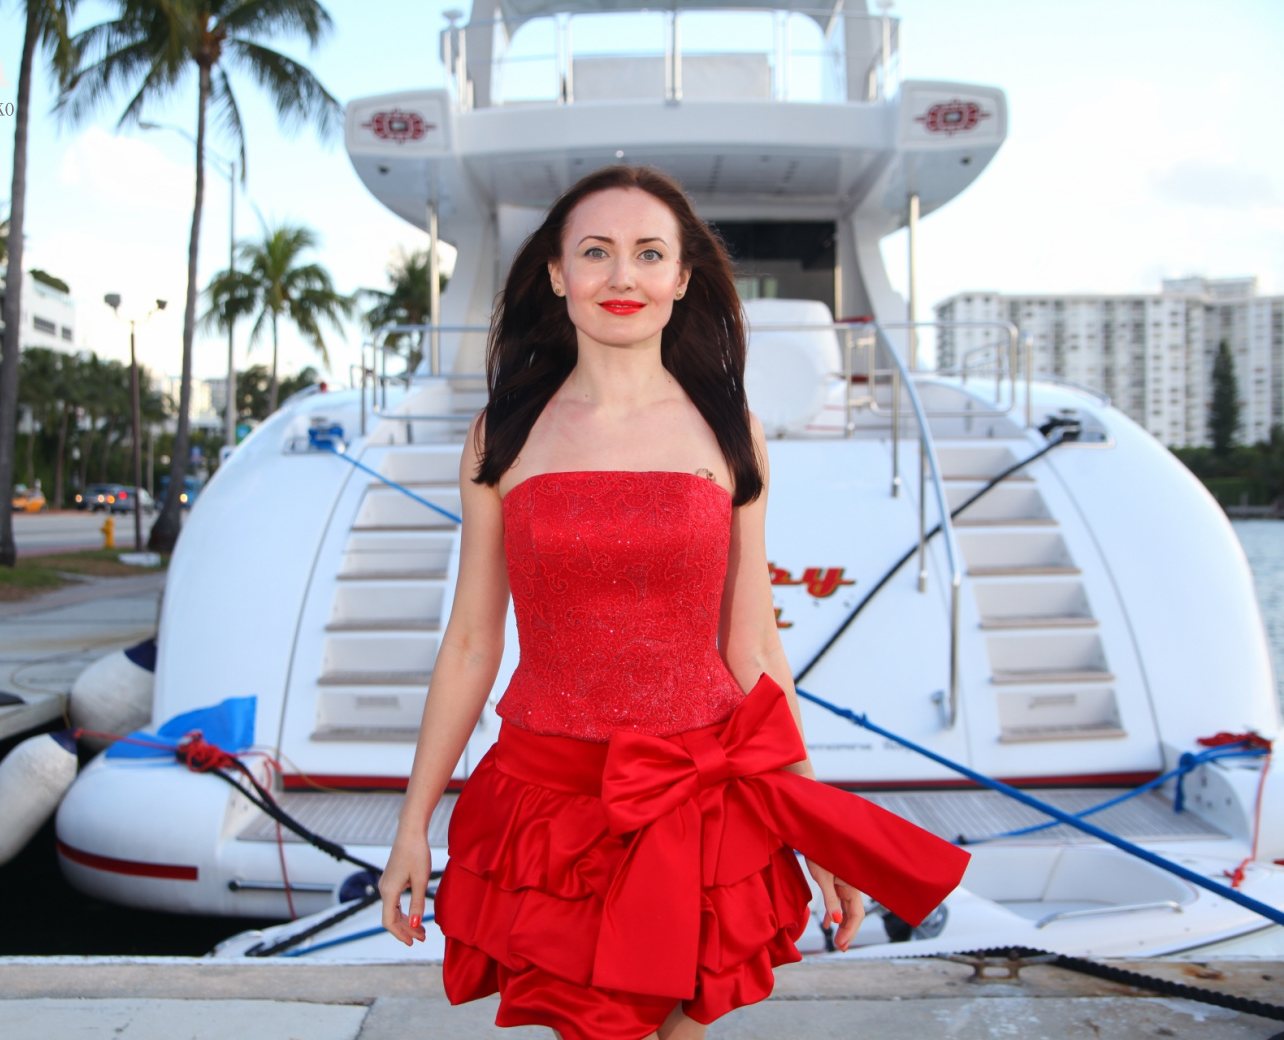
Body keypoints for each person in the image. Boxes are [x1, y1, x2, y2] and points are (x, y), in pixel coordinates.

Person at [378, 165, 968, 1040]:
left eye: (649, 254)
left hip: (705, 799)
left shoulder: (731, 429)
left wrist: (815, 823)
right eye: (596, 253)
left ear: (682, 277)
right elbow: (471, 642)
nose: (623, 277)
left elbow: (755, 644)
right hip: (555, 808)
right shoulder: (500, 435)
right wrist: (413, 824)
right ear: (556, 274)